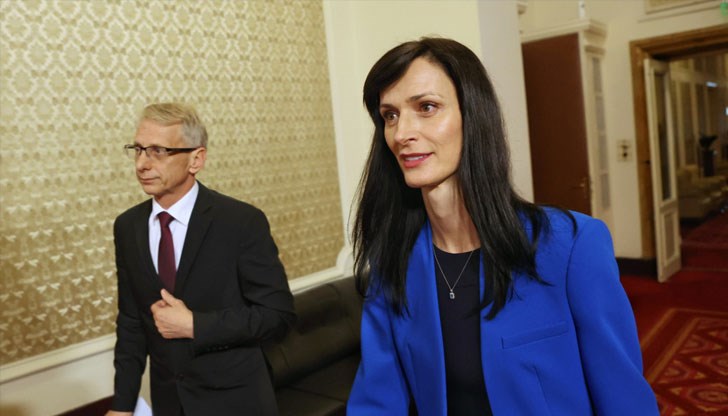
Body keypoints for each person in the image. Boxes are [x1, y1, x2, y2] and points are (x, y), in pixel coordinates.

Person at [346, 38, 658, 415]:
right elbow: (376, 401)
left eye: (426, 107)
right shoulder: (391, 262)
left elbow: (625, 399)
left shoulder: (571, 245)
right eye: (390, 115)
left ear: (474, 116)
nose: (400, 133)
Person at [107, 103, 295, 416]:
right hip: (169, 402)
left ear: (196, 159)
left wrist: (195, 325)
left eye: (158, 151)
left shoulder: (240, 221)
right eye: (138, 149)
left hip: (236, 401)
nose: (141, 164)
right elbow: (131, 322)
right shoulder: (127, 226)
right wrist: (122, 406)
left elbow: (278, 316)